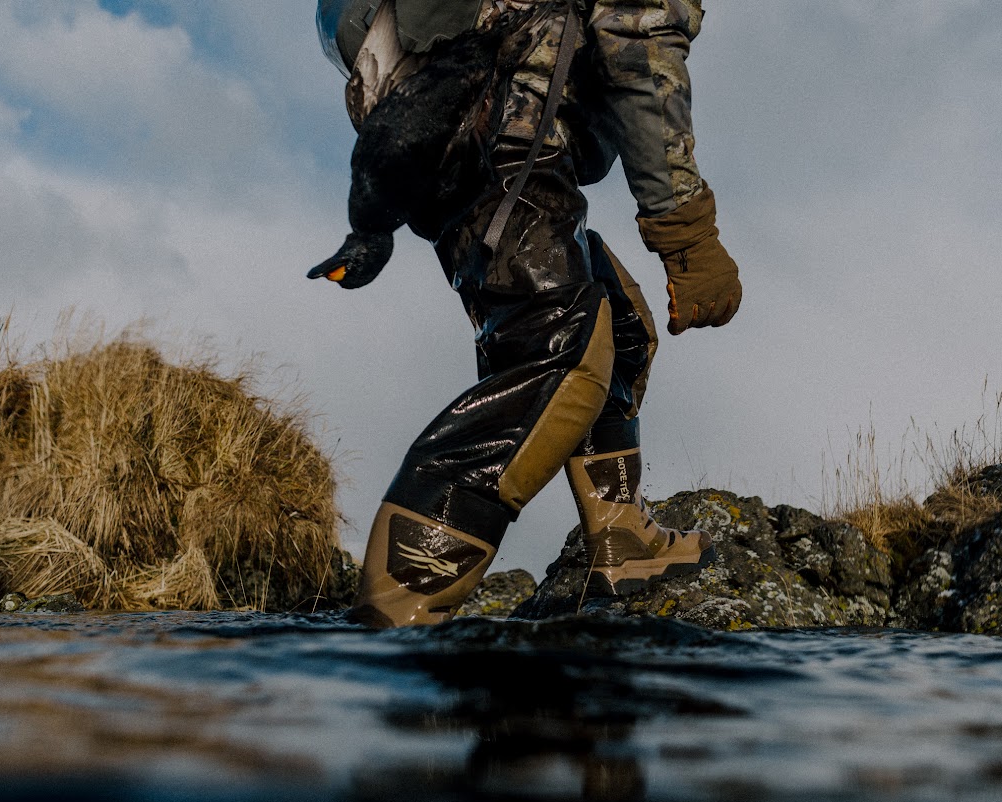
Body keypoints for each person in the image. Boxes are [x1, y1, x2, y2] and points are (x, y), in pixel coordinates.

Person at [315, 0, 743, 628]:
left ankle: (624, 542)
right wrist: (687, 236)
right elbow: (639, 49)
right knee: (561, 351)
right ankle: (396, 604)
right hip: (508, 147)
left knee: (619, 328)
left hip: (479, 153)